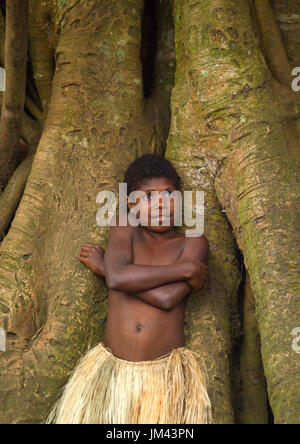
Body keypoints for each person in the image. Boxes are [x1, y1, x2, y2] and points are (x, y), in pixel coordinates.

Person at [46, 154, 213, 424]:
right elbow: (118, 279)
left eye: (169, 193)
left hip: (164, 377)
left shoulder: (193, 242)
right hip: (110, 371)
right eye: (147, 196)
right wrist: (184, 270)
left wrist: (109, 270)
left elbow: (168, 298)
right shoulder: (124, 227)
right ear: (130, 204)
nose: (160, 204)